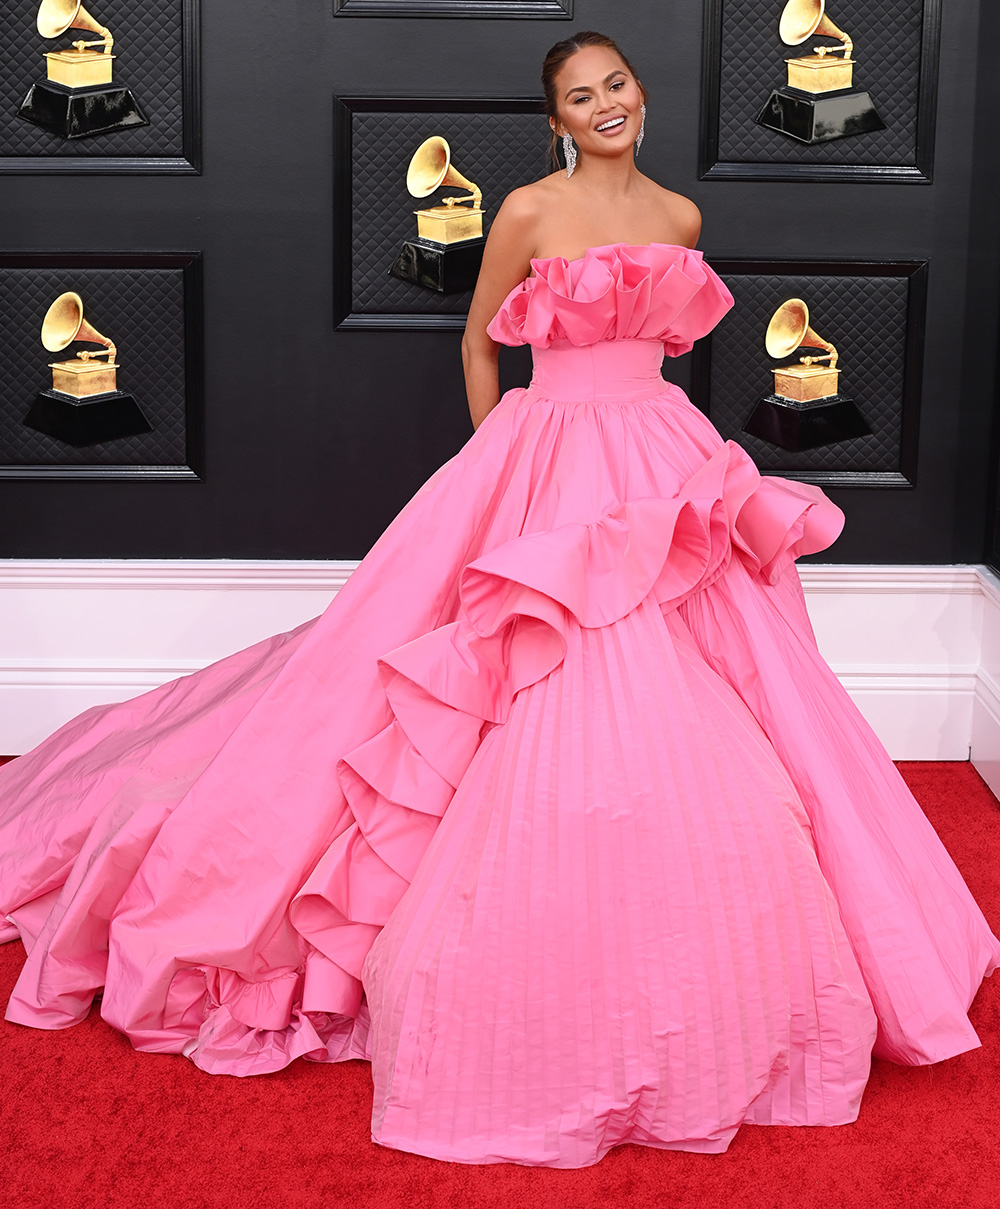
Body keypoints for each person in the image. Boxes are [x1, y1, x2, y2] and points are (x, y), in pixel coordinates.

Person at [0, 30, 997, 1170]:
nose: (605, 104)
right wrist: (503, 463)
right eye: (581, 96)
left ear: (638, 93)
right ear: (557, 119)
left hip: (659, 459)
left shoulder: (680, 218)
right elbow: (480, 342)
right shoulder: (524, 210)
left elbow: (661, 355)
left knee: (723, 687)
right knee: (470, 677)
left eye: (615, 84)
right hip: (541, 452)